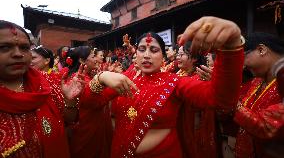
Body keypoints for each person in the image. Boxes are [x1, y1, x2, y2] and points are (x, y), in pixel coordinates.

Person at [88, 16, 244, 158]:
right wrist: (100, 78)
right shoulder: (123, 80)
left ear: (163, 56)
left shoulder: (175, 82)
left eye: (154, 50)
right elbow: (90, 104)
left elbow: (219, 99)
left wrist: (231, 49)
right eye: (142, 50)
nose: (147, 55)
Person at [0, 20, 85, 158]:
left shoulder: (47, 80)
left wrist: (70, 101)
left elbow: (69, 120)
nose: (17, 54)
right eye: (4, 47)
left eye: (24, 48)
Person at [233, 32, 284, 158]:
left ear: (261, 50)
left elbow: (268, 126)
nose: (243, 66)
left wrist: (229, 99)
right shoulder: (257, 81)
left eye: (242, 58)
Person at [65, 46, 113, 158]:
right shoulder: (78, 80)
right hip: (86, 130)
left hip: (94, 126)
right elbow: (99, 101)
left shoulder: (86, 76)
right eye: (93, 56)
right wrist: (116, 85)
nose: (96, 59)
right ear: (82, 60)